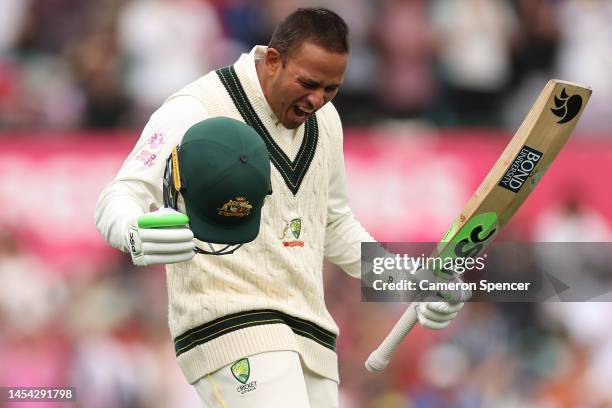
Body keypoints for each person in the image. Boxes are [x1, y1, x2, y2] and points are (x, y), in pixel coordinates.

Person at [95, 8, 464, 407]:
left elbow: (333, 226)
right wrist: (136, 232)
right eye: (307, 83)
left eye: (331, 89)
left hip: (312, 333)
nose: (317, 100)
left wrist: (411, 280)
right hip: (230, 325)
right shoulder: (197, 106)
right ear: (272, 60)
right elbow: (118, 197)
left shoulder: (328, 123)